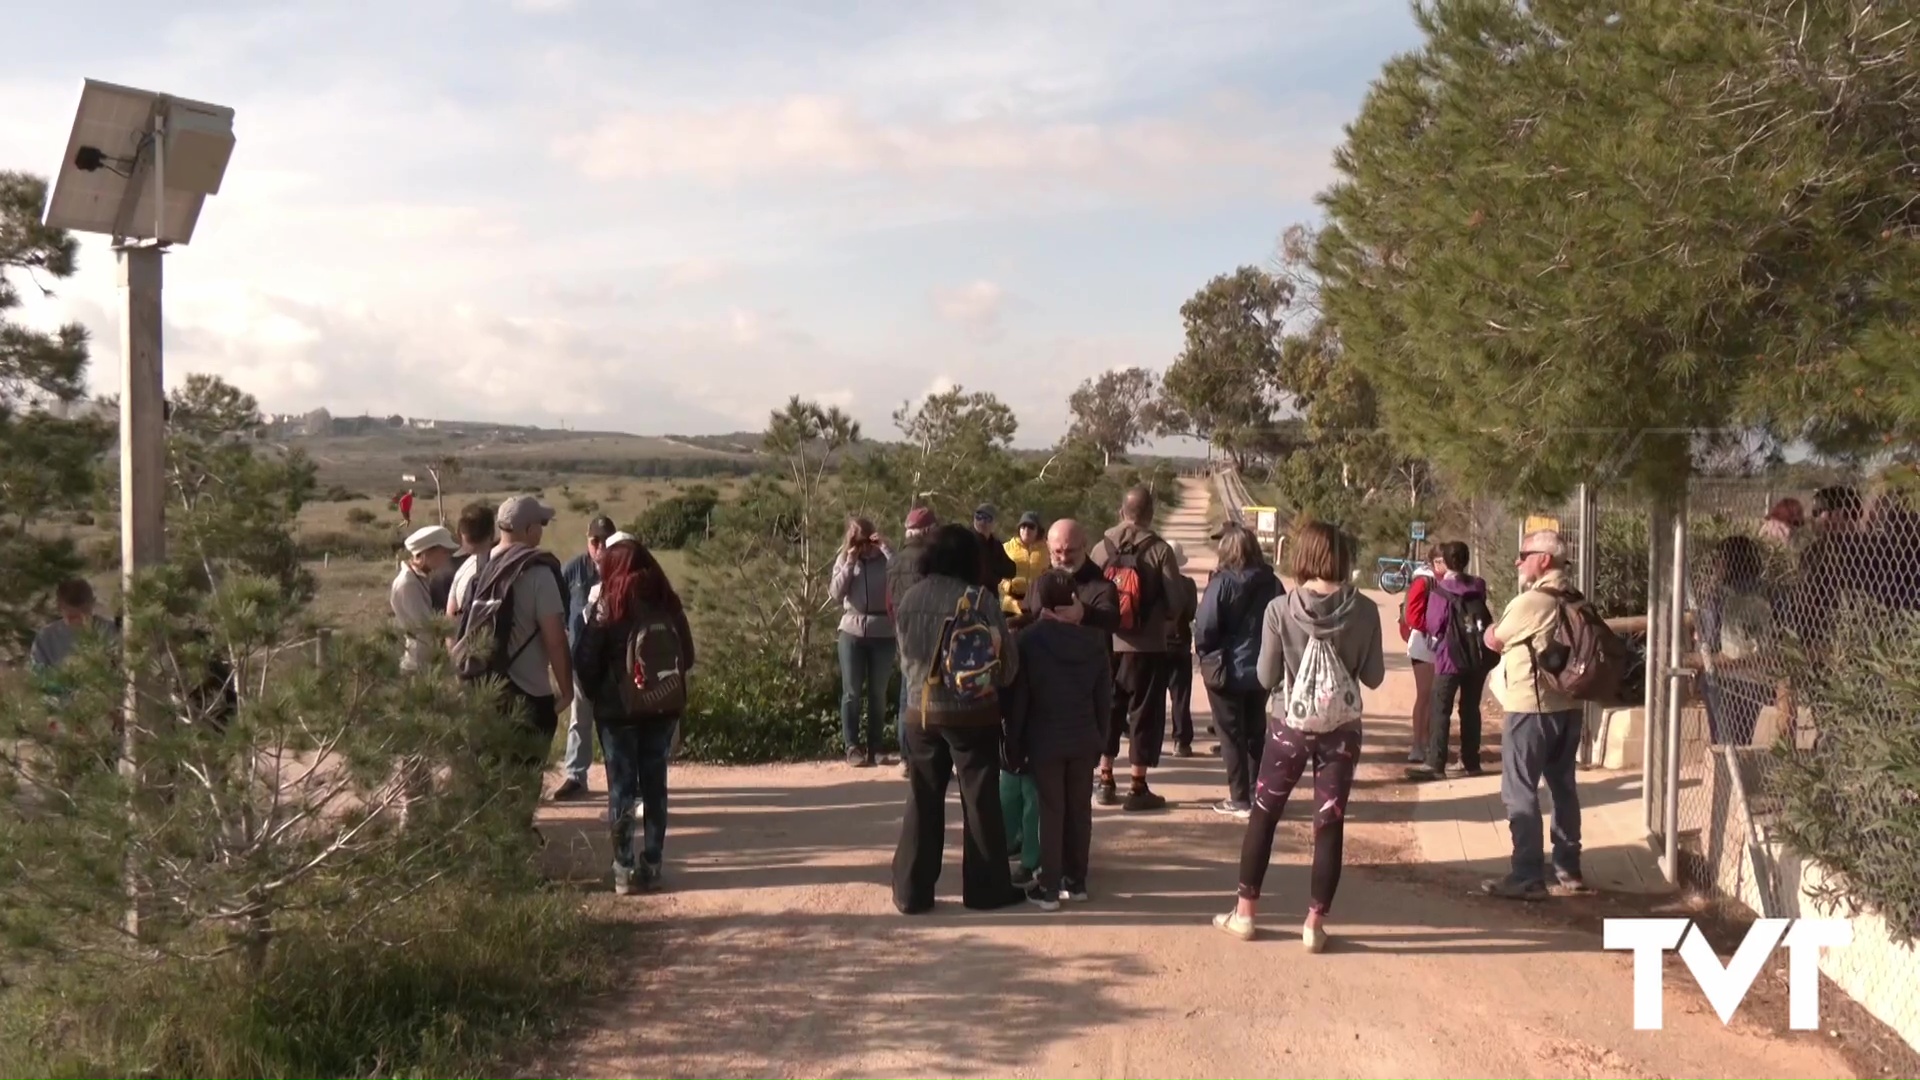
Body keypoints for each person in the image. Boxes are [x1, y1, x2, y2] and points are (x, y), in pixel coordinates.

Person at [1214, 521, 1384, 951]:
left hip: (1288, 727)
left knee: (1265, 814)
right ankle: (1314, 923)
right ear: (1344, 557)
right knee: (1329, 821)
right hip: (1341, 731)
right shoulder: (1364, 610)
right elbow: (1376, 677)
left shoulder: (1280, 609)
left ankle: (1246, 914)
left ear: (1302, 556)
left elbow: (1266, 675)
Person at [891, 525, 1024, 913]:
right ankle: (986, 890)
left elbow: (903, 657)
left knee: (922, 797)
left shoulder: (911, 597)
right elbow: (1009, 667)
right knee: (980, 799)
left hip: (919, 712)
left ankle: (912, 891)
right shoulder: (979, 599)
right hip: (972, 713)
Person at [572, 536, 696, 894]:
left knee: (622, 789)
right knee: (655, 786)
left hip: (618, 712)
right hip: (663, 707)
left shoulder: (608, 606)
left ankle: (623, 869)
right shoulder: (667, 603)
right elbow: (686, 657)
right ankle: (653, 862)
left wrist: (600, 694)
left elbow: (585, 660)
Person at [1480, 530, 1591, 901]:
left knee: (1519, 789)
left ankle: (1526, 873)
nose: (1518, 561)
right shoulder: (1576, 597)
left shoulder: (1532, 602)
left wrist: (1490, 633)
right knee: (1563, 788)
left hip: (1531, 707)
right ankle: (1568, 866)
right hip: (1570, 707)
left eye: (1524, 554)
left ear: (1544, 559)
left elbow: (1496, 639)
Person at [1004, 569, 1113, 910]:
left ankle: (1049, 887)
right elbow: (1103, 700)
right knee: (1079, 810)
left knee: (1051, 811)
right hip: (1084, 737)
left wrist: (1013, 744)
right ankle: (1076, 881)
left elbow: (1020, 700)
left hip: (1044, 739)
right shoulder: (1094, 641)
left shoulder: (1029, 640)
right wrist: (1101, 740)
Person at [465, 496, 572, 819]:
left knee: (486, 783)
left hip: (481, 693)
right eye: (540, 524)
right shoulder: (537, 573)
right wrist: (566, 690)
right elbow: (555, 639)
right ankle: (519, 856)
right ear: (527, 530)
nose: (542, 530)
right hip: (528, 695)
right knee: (523, 785)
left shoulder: (474, 567)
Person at [1090, 486, 1190, 811]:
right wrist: (1159, 619)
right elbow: (1176, 602)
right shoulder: (1160, 550)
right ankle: (1138, 787)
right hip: (1147, 646)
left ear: (1122, 511)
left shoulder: (1100, 548)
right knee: (1143, 713)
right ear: (1150, 514)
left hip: (1104, 644)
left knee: (1109, 708)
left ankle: (1105, 781)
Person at [1193, 525, 1282, 819]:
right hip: (1262, 669)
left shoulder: (1222, 583)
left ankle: (1239, 798)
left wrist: (1207, 653)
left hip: (1227, 669)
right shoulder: (1272, 582)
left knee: (1231, 734)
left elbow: (1205, 626)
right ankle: (1258, 792)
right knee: (1256, 731)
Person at [1408, 541, 1491, 780]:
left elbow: (1435, 624)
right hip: (1476, 655)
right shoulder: (1478, 585)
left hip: (1449, 658)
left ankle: (1435, 763)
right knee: (1470, 708)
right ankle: (1471, 761)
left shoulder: (1441, 591)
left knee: (1440, 708)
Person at [553, 516, 618, 801]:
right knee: (579, 719)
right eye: (595, 541)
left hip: (614, 659)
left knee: (614, 720)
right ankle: (576, 777)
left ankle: (620, 777)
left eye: (606, 541)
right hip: (580, 655)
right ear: (587, 541)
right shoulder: (574, 569)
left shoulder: (621, 569)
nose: (601, 547)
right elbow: (555, 606)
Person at [831, 517, 895, 767]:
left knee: (878, 694)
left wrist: (886, 549)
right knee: (852, 693)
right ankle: (852, 747)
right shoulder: (845, 560)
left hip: (883, 632)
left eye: (867, 541)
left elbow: (903, 575)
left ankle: (876, 748)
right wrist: (849, 562)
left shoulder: (886, 559)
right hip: (852, 631)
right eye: (858, 542)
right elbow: (835, 593)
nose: (864, 547)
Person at [886, 507, 939, 771]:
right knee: (933, 697)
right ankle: (928, 758)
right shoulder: (931, 559)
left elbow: (888, 602)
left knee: (907, 694)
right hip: (929, 634)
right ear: (928, 531)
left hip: (903, 633)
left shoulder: (894, 560)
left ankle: (906, 757)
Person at [1023, 520, 1121, 636]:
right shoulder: (1039, 583)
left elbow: (1111, 621)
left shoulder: (1102, 587)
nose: (1064, 558)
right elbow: (1026, 617)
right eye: (1057, 552)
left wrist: (1084, 613)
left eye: (1070, 551)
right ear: (1048, 547)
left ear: (1084, 545)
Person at [391, 525, 458, 673]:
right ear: (427, 553)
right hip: (418, 665)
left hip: (427, 663)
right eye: (443, 551)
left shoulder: (421, 579)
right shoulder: (408, 583)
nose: (447, 556)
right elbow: (425, 628)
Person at [1399, 546, 1441, 763]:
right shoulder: (1424, 581)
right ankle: (1418, 744)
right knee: (1425, 694)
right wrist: (1436, 626)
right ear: (1433, 561)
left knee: (1436, 697)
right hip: (1423, 643)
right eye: (1440, 561)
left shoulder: (1445, 580)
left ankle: (1430, 742)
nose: (1444, 565)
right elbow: (1413, 617)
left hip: (1438, 643)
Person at [31, 578, 117, 676]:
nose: (80, 621)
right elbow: (39, 679)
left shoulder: (110, 631)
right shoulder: (46, 638)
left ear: (93, 603)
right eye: (72, 617)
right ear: (59, 608)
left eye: (84, 613)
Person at [1166, 541, 1199, 757]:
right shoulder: (1188, 585)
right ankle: (1181, 741)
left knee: (1153, 696)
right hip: (1180, 644)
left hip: (1155, 645)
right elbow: (1190, 614)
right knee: (1181, 696)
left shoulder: (1152, 582)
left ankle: (1148, 740)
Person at [445, 502, 495, 620]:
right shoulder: (515, 565)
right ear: (492, 533)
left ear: (460, 534)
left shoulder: (458, 572)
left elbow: (450, 621)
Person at [1000, 511, 1048, 617]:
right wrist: (1008, 587)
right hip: (1011, 604)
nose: (1026, 530)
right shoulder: (1007, 548)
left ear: (1038, 530)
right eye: (1023, 526)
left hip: (1037, 605)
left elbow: (1053, 573)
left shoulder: (1048, 550)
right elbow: (996, 573)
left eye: (1031, 527)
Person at [973, 504, 1019, 597]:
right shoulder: (966, 539)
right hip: (970, 592)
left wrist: (994, 569)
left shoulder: (995, 545)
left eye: (987, 518)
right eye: (978, 517)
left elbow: (1011, 570)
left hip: (990, 595)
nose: (982, 522)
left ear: (994, 523)